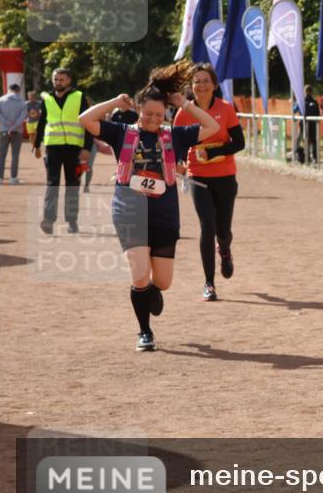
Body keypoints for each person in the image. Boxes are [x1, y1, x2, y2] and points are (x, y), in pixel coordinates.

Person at [78, 62, 219, 351]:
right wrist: (115, 102)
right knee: (140, 275)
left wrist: (185, 104)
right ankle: (145, 331)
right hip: (129, 212)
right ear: (138, 109)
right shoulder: (122, 132)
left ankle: (150, 291)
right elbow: (85, 119)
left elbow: (212, 127)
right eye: (148, 113)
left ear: (166, 113)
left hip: (164, 215)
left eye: (159, 114)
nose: (153, 119)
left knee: (163, 282)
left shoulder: (175, 136)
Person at [174, 63, 245, 301]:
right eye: (197, 81)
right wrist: (179, 161)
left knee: (223, 231)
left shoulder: (225, 108)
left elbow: (239, 143)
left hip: (225, 176)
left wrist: (212, 152)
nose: (201, 85)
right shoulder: (184, 112)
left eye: (206, 81)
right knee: (207, 227)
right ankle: (209, 283)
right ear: (191, 86)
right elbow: (177, 144)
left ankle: (224, 250)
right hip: (198, 177)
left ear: (214, 85)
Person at [34, 68, 93, 234]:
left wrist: (87, 148)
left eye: (61, 79)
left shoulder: (79, 97)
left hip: (74, 148)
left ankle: (72, 221)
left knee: (72, 185)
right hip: (53, 147)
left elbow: (88, 122)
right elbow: (42, 122)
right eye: (55, 79)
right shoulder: (47, 99)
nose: (58, 82)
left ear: (68, 81)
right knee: (52, 184)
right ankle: (48, 220)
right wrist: (37, 145)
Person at [0, 84, 28, 184]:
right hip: (17, 131)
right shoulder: (22, 102)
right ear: (18, 90)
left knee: (2, 155)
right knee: (15, 155)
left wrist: (7, 124)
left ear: (9, 89)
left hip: (3, 130)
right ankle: (13, 178)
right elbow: (22, 117)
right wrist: (13, 126)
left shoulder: (1, 100)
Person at [294, 85, 320, 165]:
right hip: (313, 124)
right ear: (311, 92)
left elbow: (294, 110)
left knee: (305, 140)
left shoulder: (300, 102)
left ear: (304, 92)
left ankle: (306, 157)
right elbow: (318, 114)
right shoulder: (315, 102)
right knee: (313, 141)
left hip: (303, 124)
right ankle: (315, 158)